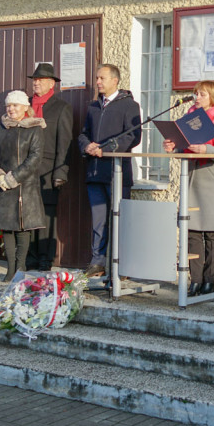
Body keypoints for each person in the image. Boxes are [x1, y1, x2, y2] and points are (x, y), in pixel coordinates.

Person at [162, 81, 214, 296]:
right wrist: (172, 147)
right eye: (195, 93)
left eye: (202, 94)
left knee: (212, 234)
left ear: (212, 95)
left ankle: (209, 281)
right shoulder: (188, 120)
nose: (197, 97)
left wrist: (207, 148)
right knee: (193, 233)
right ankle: (194, 281)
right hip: (193, 180)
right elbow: (184, 148)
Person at [77, 64, 142, 278]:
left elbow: (132, 137)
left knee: (119, 219)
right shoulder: (94, 107)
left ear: (115, 80)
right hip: (94, 173)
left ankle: (121, 264)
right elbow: (84, 133)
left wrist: (104, 149)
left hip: (117, 173)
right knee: (99, 221)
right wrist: (87, 146)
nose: (98, 82)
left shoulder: (129, 105)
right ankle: (98, 262)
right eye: (97, 78)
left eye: (101, 78)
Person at [0, 90, 47, 280]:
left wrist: (14, 178)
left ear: (25, 107)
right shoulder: (0, 128)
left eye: (15, 105)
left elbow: (35, 157)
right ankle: (10, 268)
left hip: (24, 185)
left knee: (22, 228)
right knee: (6, 227)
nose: (11, 109)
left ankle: (20, 267)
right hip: (3, 184)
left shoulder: (35, 128)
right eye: (9, 106)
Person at [27, 63, 73, 271]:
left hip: (48, 168)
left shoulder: (61, 107)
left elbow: (65, 142)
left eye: (41, 80)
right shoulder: (25, 104)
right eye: (35, 80)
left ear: (51, 83)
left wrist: (60, 171)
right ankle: (29, 256)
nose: (36, 83)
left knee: (46, 214)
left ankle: (45, 258)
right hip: (26, 168)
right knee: (28, 212)